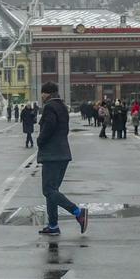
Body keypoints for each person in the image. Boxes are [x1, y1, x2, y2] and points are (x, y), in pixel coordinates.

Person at [36, 82, 88, 236]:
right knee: (53, 191)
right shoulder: (63, 107)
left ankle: (78, 212)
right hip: (63, 153)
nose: (42, 96)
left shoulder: (50, 107)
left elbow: (49, 126)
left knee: (48, 190)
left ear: (49, 93)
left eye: (43, 93)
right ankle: (53, 225)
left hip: (52, 155)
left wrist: (40, 140)